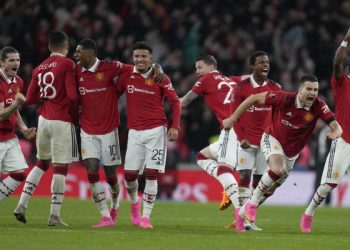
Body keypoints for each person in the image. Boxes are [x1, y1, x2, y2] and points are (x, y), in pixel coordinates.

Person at [223, 74, 342, 232]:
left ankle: (241, 215)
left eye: (315, 90)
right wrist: (232, 119)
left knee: (271, 189)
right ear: (300, 90)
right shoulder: (283, 99)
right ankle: (252, 204)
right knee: (278, 169)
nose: (313, 93)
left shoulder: (319, 106)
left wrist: (335, 133)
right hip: (272, 139)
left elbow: (337, 126)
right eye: (309, 89)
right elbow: (252, 99)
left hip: (292, 154)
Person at [13, 31, 79, 226]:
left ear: (49, 47)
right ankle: (54, 215)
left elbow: (30, 99)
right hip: (61, 120)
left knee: (41, 163)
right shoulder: (67, 64)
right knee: (61, 167)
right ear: (66, 46)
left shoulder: (39, 68)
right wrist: (75, 115)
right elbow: (73, 96)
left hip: (43, 120)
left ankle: (21, 205)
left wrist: (46, 98)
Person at [116, 41, 181, 229]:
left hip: (156, 132)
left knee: (151, 174)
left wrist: (174, 126)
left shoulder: (160, 77)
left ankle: (146, 217)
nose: (140, 59)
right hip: (134, 132)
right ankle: (135, 204)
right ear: (132, 58)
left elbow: (175, 102)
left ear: (150, 58)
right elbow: (113, 93)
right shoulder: (128, 74)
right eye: (137, 56)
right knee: (129, 177)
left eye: (144, 56)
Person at [180, 55, 247, 231]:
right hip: (247, 127)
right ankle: (228, 188)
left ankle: (241, 215)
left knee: (225, 169)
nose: (197, 72)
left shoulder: (206, 80)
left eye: (199, 68)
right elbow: (248, 78)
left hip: (231, 126)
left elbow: (185, 101)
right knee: (202, 156)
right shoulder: (231, 80)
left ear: (210, 68)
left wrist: (166, 100)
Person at [74, 38, 133, 228]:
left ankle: (115, 204)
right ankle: (105, 216)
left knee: (110, 175)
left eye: (78, 52)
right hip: (87, 130)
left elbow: (131, 69)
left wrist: (155, 68)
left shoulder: (109, 67)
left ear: (90, 54)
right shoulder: (76, 72)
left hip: (109, 130)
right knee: (91, 170)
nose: (75, 55)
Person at [300, 28, 350, 233]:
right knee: (329, 184)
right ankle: (309, 213)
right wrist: (346, 40)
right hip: (345, 140)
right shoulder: (342, 83)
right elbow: (336, 63)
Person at [229, 51, 281, 231]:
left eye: (267, 62)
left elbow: (278, 116)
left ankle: (249, 218)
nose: (265, 65)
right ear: (252, 66)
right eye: (260, 62)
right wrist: (240, 137)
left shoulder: (276, 87)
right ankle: (240, 219)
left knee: (260, 182)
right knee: (244, 176)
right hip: (246, 141)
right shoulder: (241, 88)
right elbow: (233, 115)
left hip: (266, 142)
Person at [0, 46, 36, 204]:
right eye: (11, 60)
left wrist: (23, 129)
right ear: (2, 62)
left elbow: (14, 112)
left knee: (19, 174)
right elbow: (1, 114)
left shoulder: (18, 82)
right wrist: (16, 104)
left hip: (10, 137)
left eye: (18, 60)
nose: (16, 63)